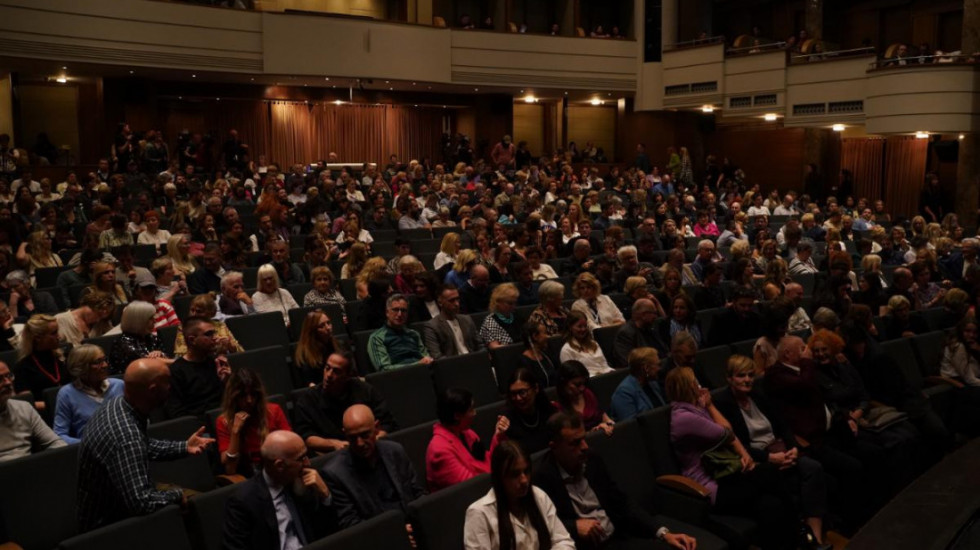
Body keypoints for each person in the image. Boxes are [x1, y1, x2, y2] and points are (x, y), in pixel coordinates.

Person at [533, 411, 710, 550]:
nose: (584, 447)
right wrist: (573, 526)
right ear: (554, 447)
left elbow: (620, 502)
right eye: (575, 443)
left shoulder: (591, 459)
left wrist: (664, 534)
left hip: (617, 538)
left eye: (584, 439)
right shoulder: (542, 478)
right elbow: (539, 526)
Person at [666, 366, 798, 550]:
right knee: (769, 472)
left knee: (770, 505)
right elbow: (727, 433)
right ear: (688, 386)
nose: (700, 385)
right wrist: (710, 405)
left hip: (727, 475)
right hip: (710, 488)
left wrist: (744, 455)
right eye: (695, 382)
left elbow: (729, 436)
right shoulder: (684, 417)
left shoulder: (694, 409)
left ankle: (794, 541)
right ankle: (801, 531)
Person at [77, 358, 215, 531]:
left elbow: (142, 445)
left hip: (123, 500)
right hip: (111, 528)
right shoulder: (126, 436)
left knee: (200, 502)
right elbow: (142, 503)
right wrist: (176, 495)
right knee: (203, 509)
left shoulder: (118, 404)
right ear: (153, 390)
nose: (171, 387)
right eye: (167, 382)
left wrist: (185, 446)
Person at [714, 355, 833, 548]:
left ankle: (816, 537)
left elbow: (782, 425)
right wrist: (769, 458)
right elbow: (737, 444)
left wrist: (793, 447)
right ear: (729, 378)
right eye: (741, 376)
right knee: (783, 488)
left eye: (750, 375)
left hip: (781, 450)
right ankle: (801, 534)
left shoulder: (758, 395)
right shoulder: (722, 404)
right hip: (759, 458)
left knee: (814, 468)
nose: (747, 380)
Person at [222, 430, 337, 550]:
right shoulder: (243, 502)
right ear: (280, 466)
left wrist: (325, 495)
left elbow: (328, 531)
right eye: (301, 458)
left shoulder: (304, 482)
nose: (307, 463)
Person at [321, 404, 426, 528]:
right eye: (352, 437)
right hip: (379, 535)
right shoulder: (336, 473)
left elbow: (418, 493)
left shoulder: (395, 451)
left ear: (376, 428)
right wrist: (397, 532)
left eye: (365, 435)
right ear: (345, 434)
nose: (359, 443)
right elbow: (351, 523)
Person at [293, 352, 398, 453]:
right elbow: (306, 436)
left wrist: (375, 438)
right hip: (332, 455)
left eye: (336, 371)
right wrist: (333, 444)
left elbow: (387, 422)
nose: (329, 375)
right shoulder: (308, 400)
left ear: (348, 376)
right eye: (327, 368)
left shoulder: (365, 391)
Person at [426, 387, 509, 492]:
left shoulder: (466, 433)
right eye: (471, 409)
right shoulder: (439, 450)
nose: (475, 413)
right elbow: (470, 487)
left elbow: (487, 462)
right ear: (457, 416)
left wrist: (498, 435)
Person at [216, 368, 292, 477]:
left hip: (277, 467)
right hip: (249, 475)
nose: (249, 400)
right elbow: (230, 469)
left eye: (253, 394)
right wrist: (235, 432)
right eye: (243, 395)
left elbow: (291, 447)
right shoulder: (224, 421)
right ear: (234, 397)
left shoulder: (273, 411)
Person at [54, 344, 124, 445]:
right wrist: (87, 444)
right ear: (81, 367)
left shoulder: (119, 385)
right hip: (91, 450)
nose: (105, 365)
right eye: (97, 362)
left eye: (104, 360)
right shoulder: (67, 394)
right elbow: (59, 434)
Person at [164, 317, 232, 419]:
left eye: (214, 333)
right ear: (192, 340)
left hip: (225, 418)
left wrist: (227, 382)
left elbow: (230, 400)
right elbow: (176, 412)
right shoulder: (176, 371)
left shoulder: (216, 363)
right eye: (208, 334)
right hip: (200, 424)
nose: (215, 338)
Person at [0, 360, 66, 461]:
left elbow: (56, 443)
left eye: (9, 376)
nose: (8, 382)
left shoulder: (24, 408)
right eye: (0, 379)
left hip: (29, 466)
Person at [367, 293, 433, 371]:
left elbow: (426, 358)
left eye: (403, 310)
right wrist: (417, 365)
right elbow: (384, 369)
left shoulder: (414, 334)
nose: (399, 314)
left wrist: (426, 362)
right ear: (387, 312)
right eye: (395, 310)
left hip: (423, 372)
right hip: (398, 376)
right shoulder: (377, 337)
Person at [14, 314, 68, 408]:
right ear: (38, 338)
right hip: (45, 412)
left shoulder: (62, 358)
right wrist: (57, 405)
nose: (59, 336)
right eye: (54, 333)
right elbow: (27, 403)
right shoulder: (23, 367)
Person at [503, 368, 560, 454]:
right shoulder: (507, 421)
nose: (518, 398)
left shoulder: (550, 411)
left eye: (522, 392)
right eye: (513, 394)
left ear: (536, 388)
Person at [423, 284, 483, 360]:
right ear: (440, 302)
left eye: (457, 299)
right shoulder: (432, 326)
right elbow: (437, 356)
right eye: (451, 301)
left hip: (474, 361)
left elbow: (480, 345)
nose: (457, 304)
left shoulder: (467, 319)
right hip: (452, 364)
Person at [173, 293, 243, 357]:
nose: (194, 314)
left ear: (211, 313)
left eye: (199, 311)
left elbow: (241, 352)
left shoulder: (220, 325)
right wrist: (211, 346)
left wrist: (230, 346)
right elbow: (180, 353)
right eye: (192, 310)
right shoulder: (184, 327)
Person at [553, 361, 614, 434]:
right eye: (577, 384)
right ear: (564, 383)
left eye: (584, 383)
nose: (582, 388)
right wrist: (594, 432)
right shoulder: (557, 407)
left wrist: (609, 425)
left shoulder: (588, 394)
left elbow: (604, 417)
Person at [108, 301, 166, 375]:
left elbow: (165, 357)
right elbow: (148, 364)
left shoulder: (152, 337)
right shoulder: (123, 343)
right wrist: (175, 362)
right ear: (138, 321)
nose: (154, 321)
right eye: (150, 318)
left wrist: (161, 354)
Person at [610, 347, 668, 421]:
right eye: (658, 365)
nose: (659, 369)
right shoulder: (624, 393)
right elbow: (631, 425)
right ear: (646, 368)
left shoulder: (652, 383)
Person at [293, 310, 345, 387]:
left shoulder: (339, 345)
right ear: (312, 331)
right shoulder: (305, 354)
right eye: (321, 326)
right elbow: (310, 383)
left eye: (328, 323)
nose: (328, 328)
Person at [614, 298, 668, 367]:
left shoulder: (651, 328)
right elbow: (629, 362)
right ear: (643, 315)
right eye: (654, 313)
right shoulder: (625, 334)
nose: (656, 317)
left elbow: (664, 351)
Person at [560, 310, 613, 377]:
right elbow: (572, 376)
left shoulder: (593, 343)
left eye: (585, 326)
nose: (583, 329)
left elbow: (605, 365)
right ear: (570, 327)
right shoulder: (566, 350)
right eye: (579, 326)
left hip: (606, 376)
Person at [479, 283, 523, 349]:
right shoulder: (490, 322)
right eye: (510, 303)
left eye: (515, 303)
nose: (514, 306)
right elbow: (495, 348)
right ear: (498, 302)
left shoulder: (517, 316)